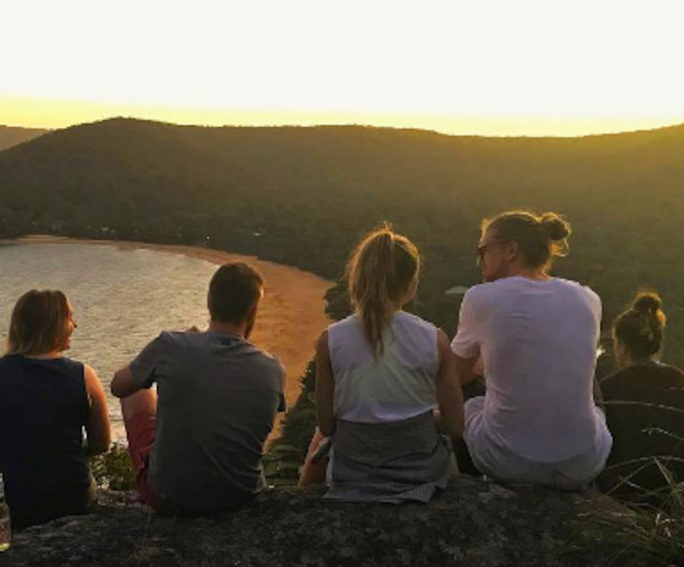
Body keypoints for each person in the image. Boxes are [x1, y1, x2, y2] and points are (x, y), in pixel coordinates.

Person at [298, 226, 464, 503]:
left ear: (357, 280)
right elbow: (456, 426)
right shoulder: (434, 339)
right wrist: (423, 418)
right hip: (420, 475)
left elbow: (326, 426)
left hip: (353, 476)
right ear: (411, 284)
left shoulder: (331, 340)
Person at [110, 262, 286, 515]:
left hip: (169, 496)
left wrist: (179, 349)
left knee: (138, 389)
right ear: (252, 311)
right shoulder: (272, 368)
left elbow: (118, 386)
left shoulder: (170, 345)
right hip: (241, 497)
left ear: (210, 302)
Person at [451, 211, 611, 489]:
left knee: (467, 398)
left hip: (509, 462)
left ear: (510, 250)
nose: (480, 261)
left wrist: (480, 367)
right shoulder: (588, 298)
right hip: (584, 462)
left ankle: (472, 484)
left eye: (483, 250)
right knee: (590, 385)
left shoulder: (481, 297)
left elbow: (454, 376)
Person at [0, 289, 110, 527]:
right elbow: (101, 444)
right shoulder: (85, 377)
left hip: (10, 500)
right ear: (52, 325)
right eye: (69, 317)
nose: (75, 325)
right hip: (71, 497)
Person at [598, 292, 684, 504]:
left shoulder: (609, 388)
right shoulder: (679, 379)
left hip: (622, 493)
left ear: (622, 347)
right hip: (675, 491)